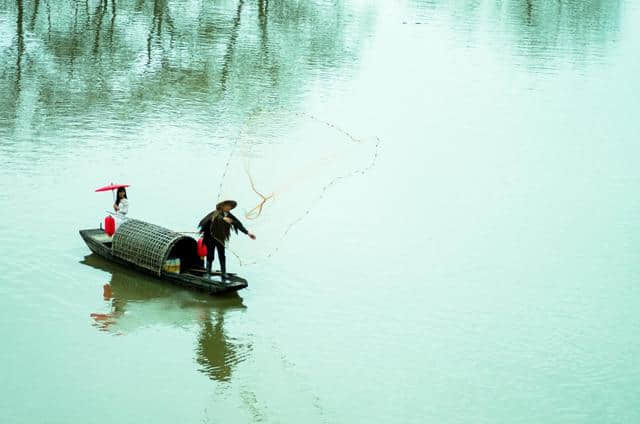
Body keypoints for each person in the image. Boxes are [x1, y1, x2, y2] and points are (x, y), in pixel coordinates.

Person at [198, 200, 256, 279]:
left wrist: (248, 233)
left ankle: (223, 273)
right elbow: (211, 220)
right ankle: (208, 272)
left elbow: (238, 224)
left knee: (222, 255)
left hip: (220, 238)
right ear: (222, 206)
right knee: (210, 255)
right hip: (210, 238)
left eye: (230, 206)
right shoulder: (215, 213)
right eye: (228, 205)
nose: (229, 207)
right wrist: (223, 219)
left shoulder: (229, 215)